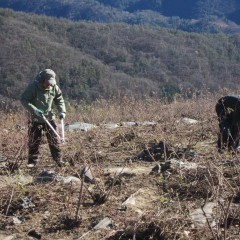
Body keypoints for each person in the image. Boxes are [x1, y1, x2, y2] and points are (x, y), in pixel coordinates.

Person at [20, 69, 66, 167]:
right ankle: (32, 163)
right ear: (42, 80)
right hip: (35, 118)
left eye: (51, 83)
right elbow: (24, 99)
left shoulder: (54, 87)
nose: (49, 85)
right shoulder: (33, 87)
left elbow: (59, 99)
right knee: (34, 140)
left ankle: (58, 160)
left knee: (54, 139)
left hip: (49, 117)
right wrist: (34, 110)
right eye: (47, 83)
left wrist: (62, 111)